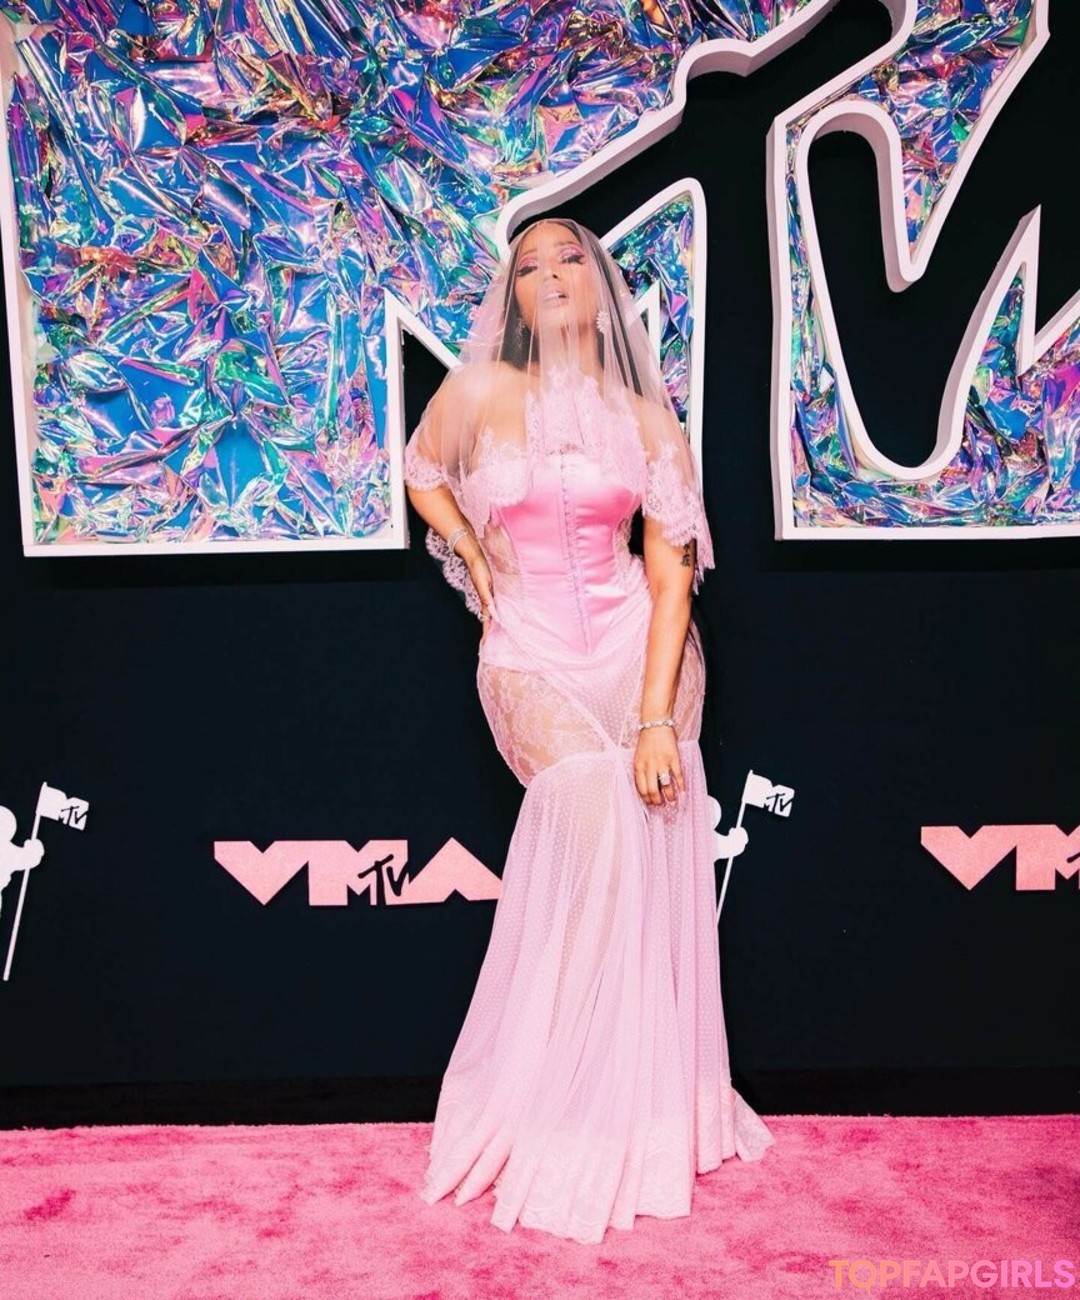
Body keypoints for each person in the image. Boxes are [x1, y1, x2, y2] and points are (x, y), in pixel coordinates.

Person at [404, 217, 775, 1245]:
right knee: (592, 831)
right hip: (526, 650)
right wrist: (472, 553)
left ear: (602, 286)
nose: (552, 274)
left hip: (642, 653)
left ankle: (649, 1106)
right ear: (514, 299)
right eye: (529, 266)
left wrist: (655, 718)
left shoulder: (646, 419)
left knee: (646, 838)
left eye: (569, 257)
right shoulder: (478, 391)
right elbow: (422, 470)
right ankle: (557, 1099)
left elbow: (670, 574)